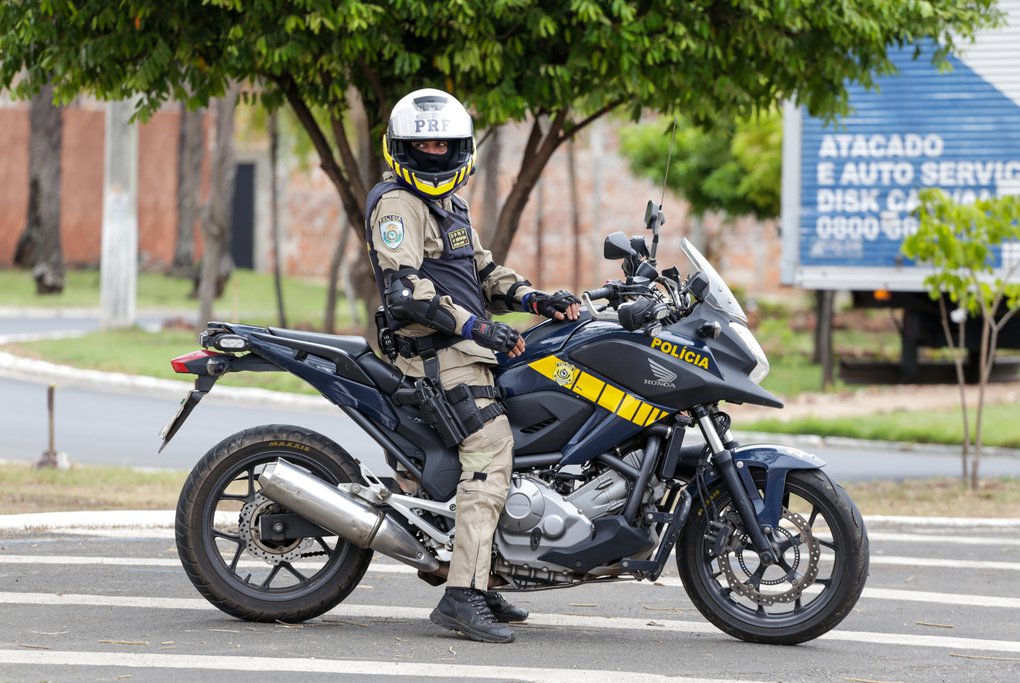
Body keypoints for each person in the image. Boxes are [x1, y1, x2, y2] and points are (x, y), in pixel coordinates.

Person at [365, 88, 581, 643]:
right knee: (490, 451)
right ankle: (461, 596)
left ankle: (483, 578)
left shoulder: (451, 204)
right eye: (423, 143)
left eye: (444, 143)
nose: (435, 152)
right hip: (436, 356)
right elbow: (407, 292)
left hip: (465, 348)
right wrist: (477, 326)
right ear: (401, 148)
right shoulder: (398, 205)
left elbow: (481, 272)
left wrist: (535, 298)